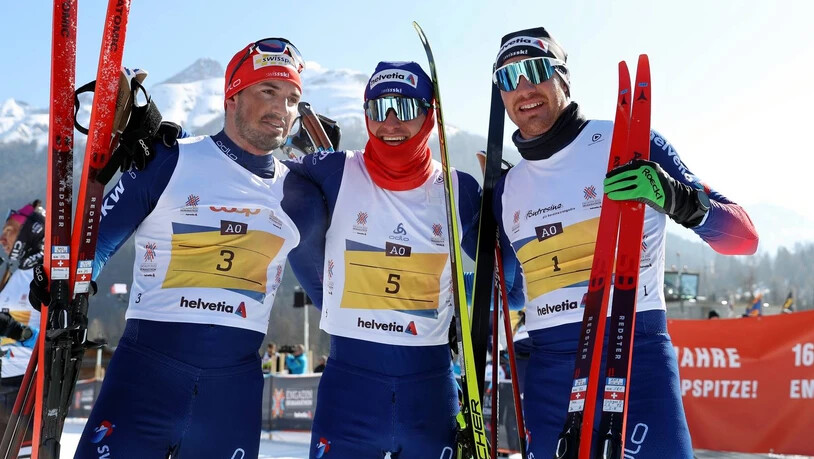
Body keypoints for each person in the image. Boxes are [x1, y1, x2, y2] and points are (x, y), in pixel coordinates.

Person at [30, 38, 327, 458]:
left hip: (231, 398)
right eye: (267, 91)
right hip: (144, 380)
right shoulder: (171, 158)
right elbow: (95, 243)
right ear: (233, 95)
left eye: (293, 98)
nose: (281, 108)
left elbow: (333, 297)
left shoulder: (300, 195)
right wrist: (66, 287)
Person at [489, 27, 759, 457]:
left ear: (563, 78)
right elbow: (515, 295)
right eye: (507, 78)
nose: (523, 88)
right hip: (551, 376)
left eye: (536, 71)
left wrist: (676, 197)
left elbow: (744, 238)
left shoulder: (630, 142)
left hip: (634, 359)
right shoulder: (507, 189)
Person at [285, 60, 523, 458]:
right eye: (379, 109)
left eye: (406, 108)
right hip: (349, 394)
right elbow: (254, 173)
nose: (390, 123)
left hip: (428, 396)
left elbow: (509, 293)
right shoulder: (333, 171)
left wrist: (507, 205)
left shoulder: (456, 189)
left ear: (429, 116)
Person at [0, 201, 42, 440]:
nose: (2, 238)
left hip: (25, 386)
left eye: (10, 231)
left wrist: (23, 335)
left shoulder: (44, 275)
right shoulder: (14, 274)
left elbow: (55, 337)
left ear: (30, 232)